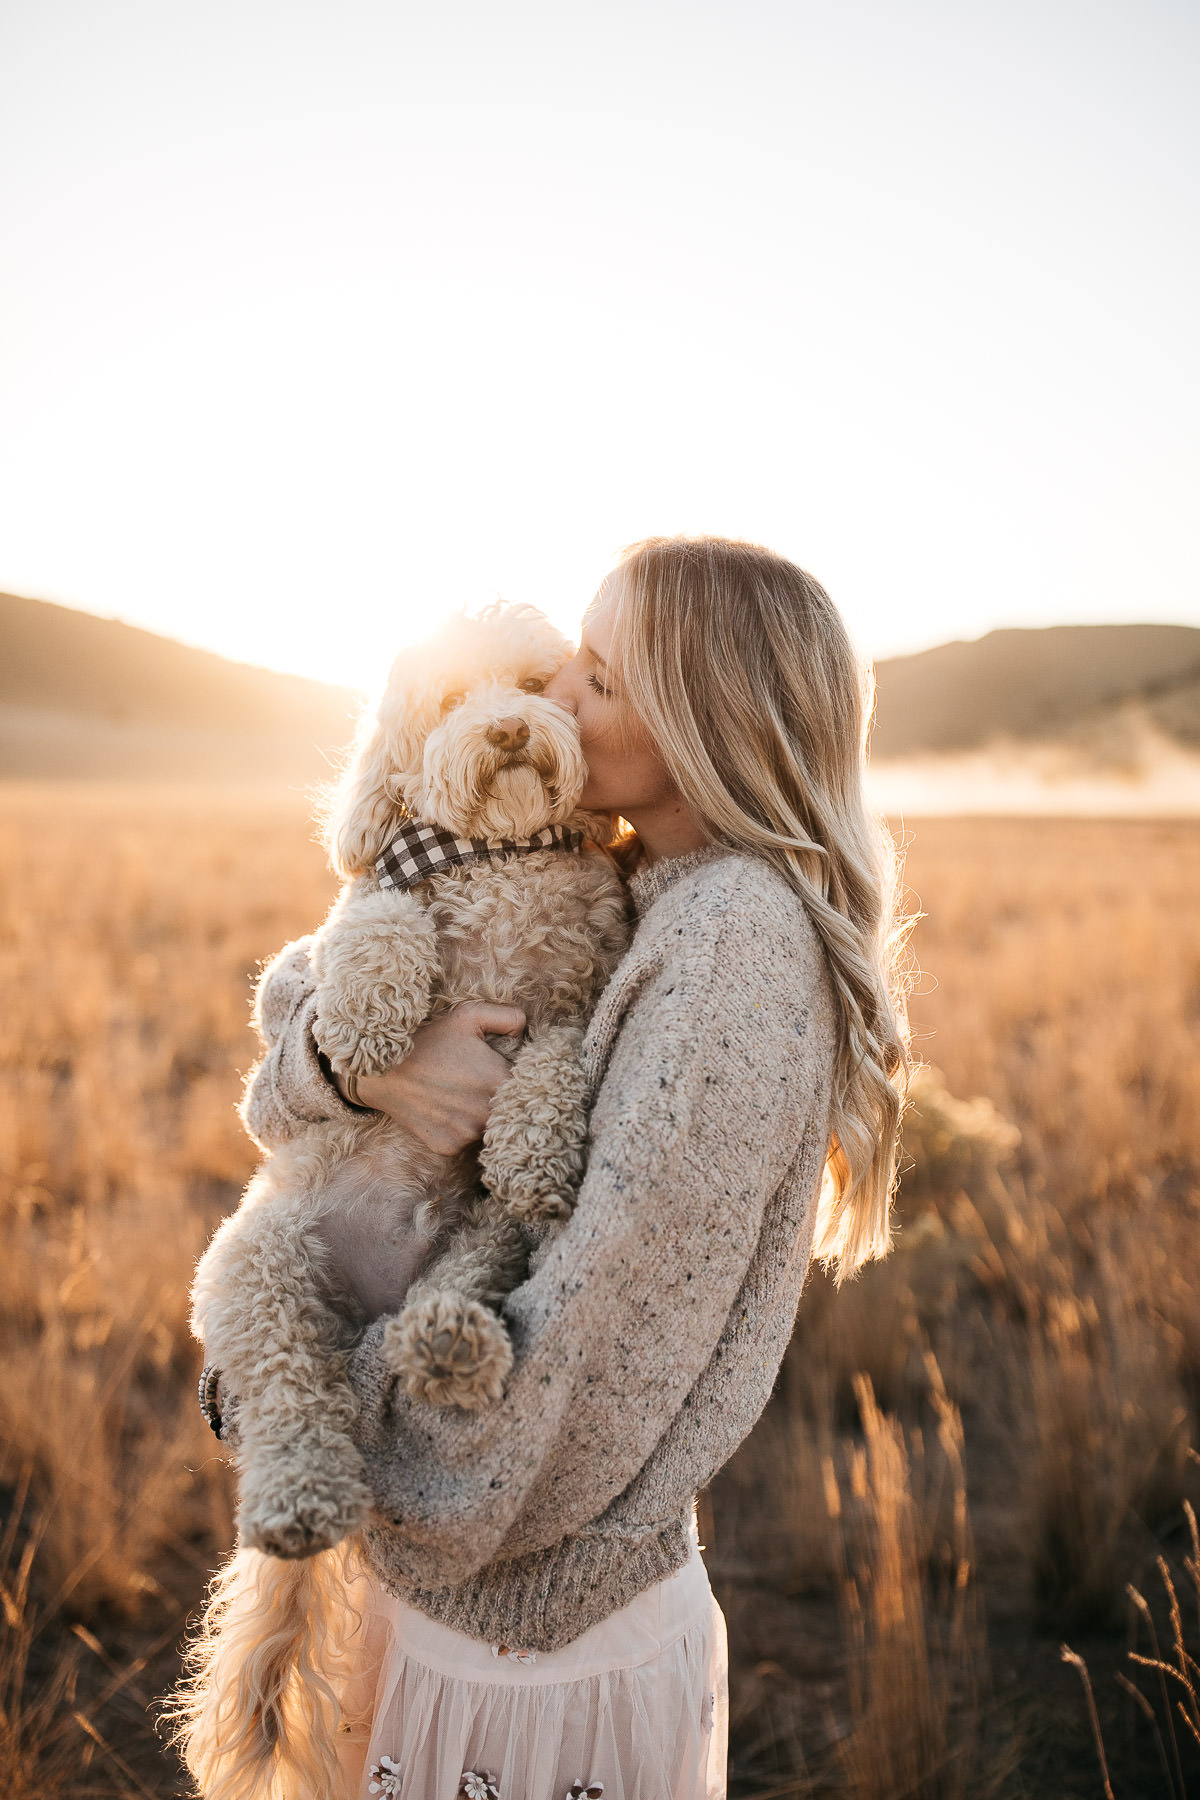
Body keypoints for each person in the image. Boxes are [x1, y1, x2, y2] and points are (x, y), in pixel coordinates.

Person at [236, 535, 910, 1800]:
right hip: (472, 1608)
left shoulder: (728, 946)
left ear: (702, 712)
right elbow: (301, 991)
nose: (551, 705)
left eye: (596, 677)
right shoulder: (643, 882)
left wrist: (312, 1407)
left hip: (533, 1650)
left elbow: (588, 1347)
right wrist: (366, 1071)